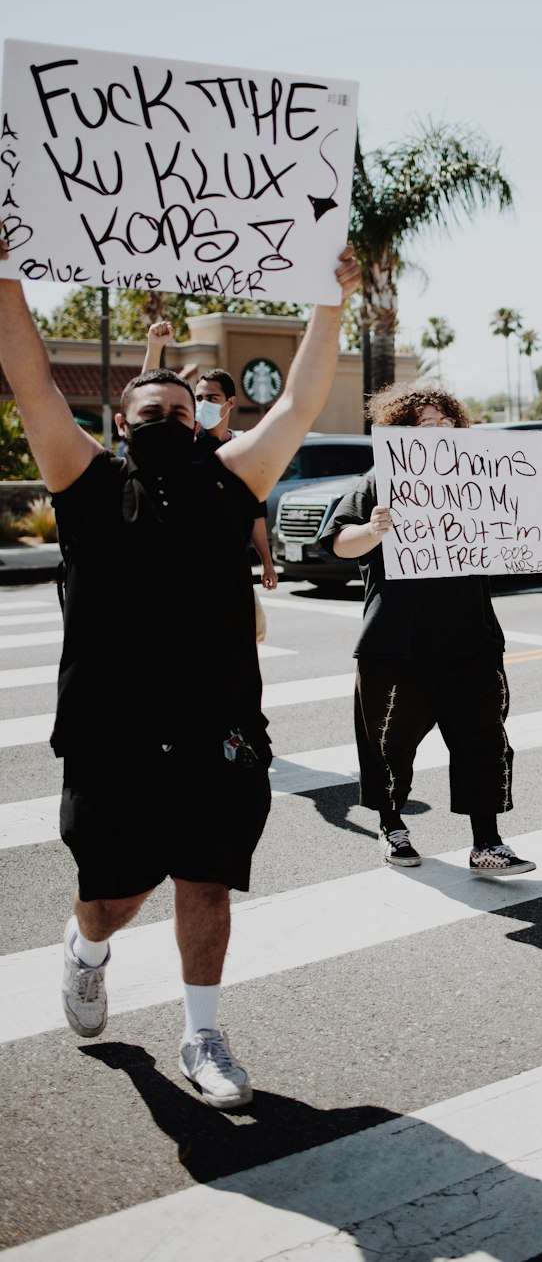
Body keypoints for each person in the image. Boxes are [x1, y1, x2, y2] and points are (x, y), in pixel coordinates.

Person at [0, 236, 360, 1111]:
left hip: (217, 730)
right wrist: (7, 277)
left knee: (206, 879)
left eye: (174, 408)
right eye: (147, 410)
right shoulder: (84, 481)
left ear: (196, 421)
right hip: (109, 735)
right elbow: (32, 381)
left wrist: (329, 302)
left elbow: (303, 403)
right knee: (116, 896)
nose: (162, 418)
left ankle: (203, 1033)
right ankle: (87, 949)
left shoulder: (231, 481)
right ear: (124, 424)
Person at [329, 383, 542, 875]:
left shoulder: (484, 477)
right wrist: (373, 531)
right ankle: (393, 827)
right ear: (400, 431)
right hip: (396, 644)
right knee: (390, 746)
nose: (436, 429)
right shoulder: (378, 480)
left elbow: (518, 544)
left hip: (472, 641)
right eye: (423, 422)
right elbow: (339, 541)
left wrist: (540, 520)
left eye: (444, 420)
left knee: (483, 741)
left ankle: (487, 843)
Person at [143, 329, 279, 611]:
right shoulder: (185, 444)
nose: (203, 404)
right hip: (189, 569)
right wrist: (153, 349)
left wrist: (267, 562)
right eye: (199, 397)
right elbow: (144, 402)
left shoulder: (243, 453)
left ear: (230, 402)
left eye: (212, 398)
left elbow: (255, 512)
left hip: (233, 570)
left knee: (245, 643)